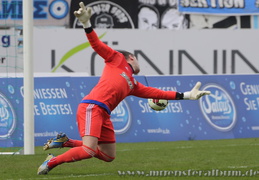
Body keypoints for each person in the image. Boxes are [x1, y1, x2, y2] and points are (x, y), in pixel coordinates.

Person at [37, 2, 211, 175]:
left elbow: (158, 93)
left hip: (103, 113)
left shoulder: (132, 84)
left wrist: (188, 95)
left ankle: (66, 142)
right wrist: (86, 24)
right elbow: (97, 45)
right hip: (92, 107)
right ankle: (52, 161)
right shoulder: (117, 59)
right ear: (131, 58)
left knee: (108, 155)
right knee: (89, 150)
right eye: (136, 59)